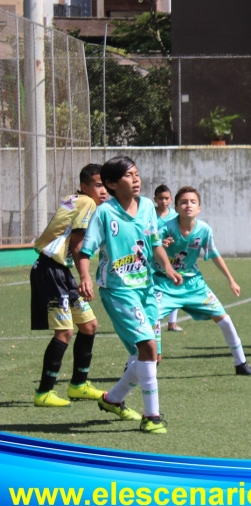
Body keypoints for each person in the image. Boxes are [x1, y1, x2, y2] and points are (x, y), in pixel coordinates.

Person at [77, 156, 183, 434]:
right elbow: (86, 250)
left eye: (137, 174)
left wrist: (168, 267)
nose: (136, 179)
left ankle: (113, 399)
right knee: (146, 347)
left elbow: (154, 242)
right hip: (119, 291)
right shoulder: (104, 213)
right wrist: (85, 277)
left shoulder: (148, 206)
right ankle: (152, 417)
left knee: (152, 357)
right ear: (111, 183)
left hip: (147, 289)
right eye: (128, 175)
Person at [155, 186, 251, 375]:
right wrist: (159, 247)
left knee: (225, 319)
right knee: (151, 319)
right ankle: (147, 360)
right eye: (183, 202)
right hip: (164, 283)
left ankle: (241, 363)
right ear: (176, 207)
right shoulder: (164, 229)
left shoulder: (204, 230)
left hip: (194, 285)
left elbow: (215, 254)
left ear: (199, 208)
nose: (188, 205)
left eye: (193, 202)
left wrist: (231, 280)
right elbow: (148, 252)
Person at [30, 164, 108, 407]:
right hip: (51, 270)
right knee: (64, 332)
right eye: (98, 185)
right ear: (85, 187)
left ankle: (79, 385)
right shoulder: (88, 203)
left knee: (89, 325)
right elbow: (77, 243)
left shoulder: (76, 199)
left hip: (58, 270)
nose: (103, 190)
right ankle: (43, 393)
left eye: (105, 184)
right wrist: (86, 278)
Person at [154, 184, 182, 332]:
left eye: (166, 198)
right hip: (154, 257)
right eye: (160, 198)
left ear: (171, 199)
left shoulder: (175, 216)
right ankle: (152, 318)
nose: (163, 201)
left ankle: (172, 323)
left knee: (175, 285)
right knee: (153, 287)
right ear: (155, 199)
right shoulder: (150, 215)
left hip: (172, 256)